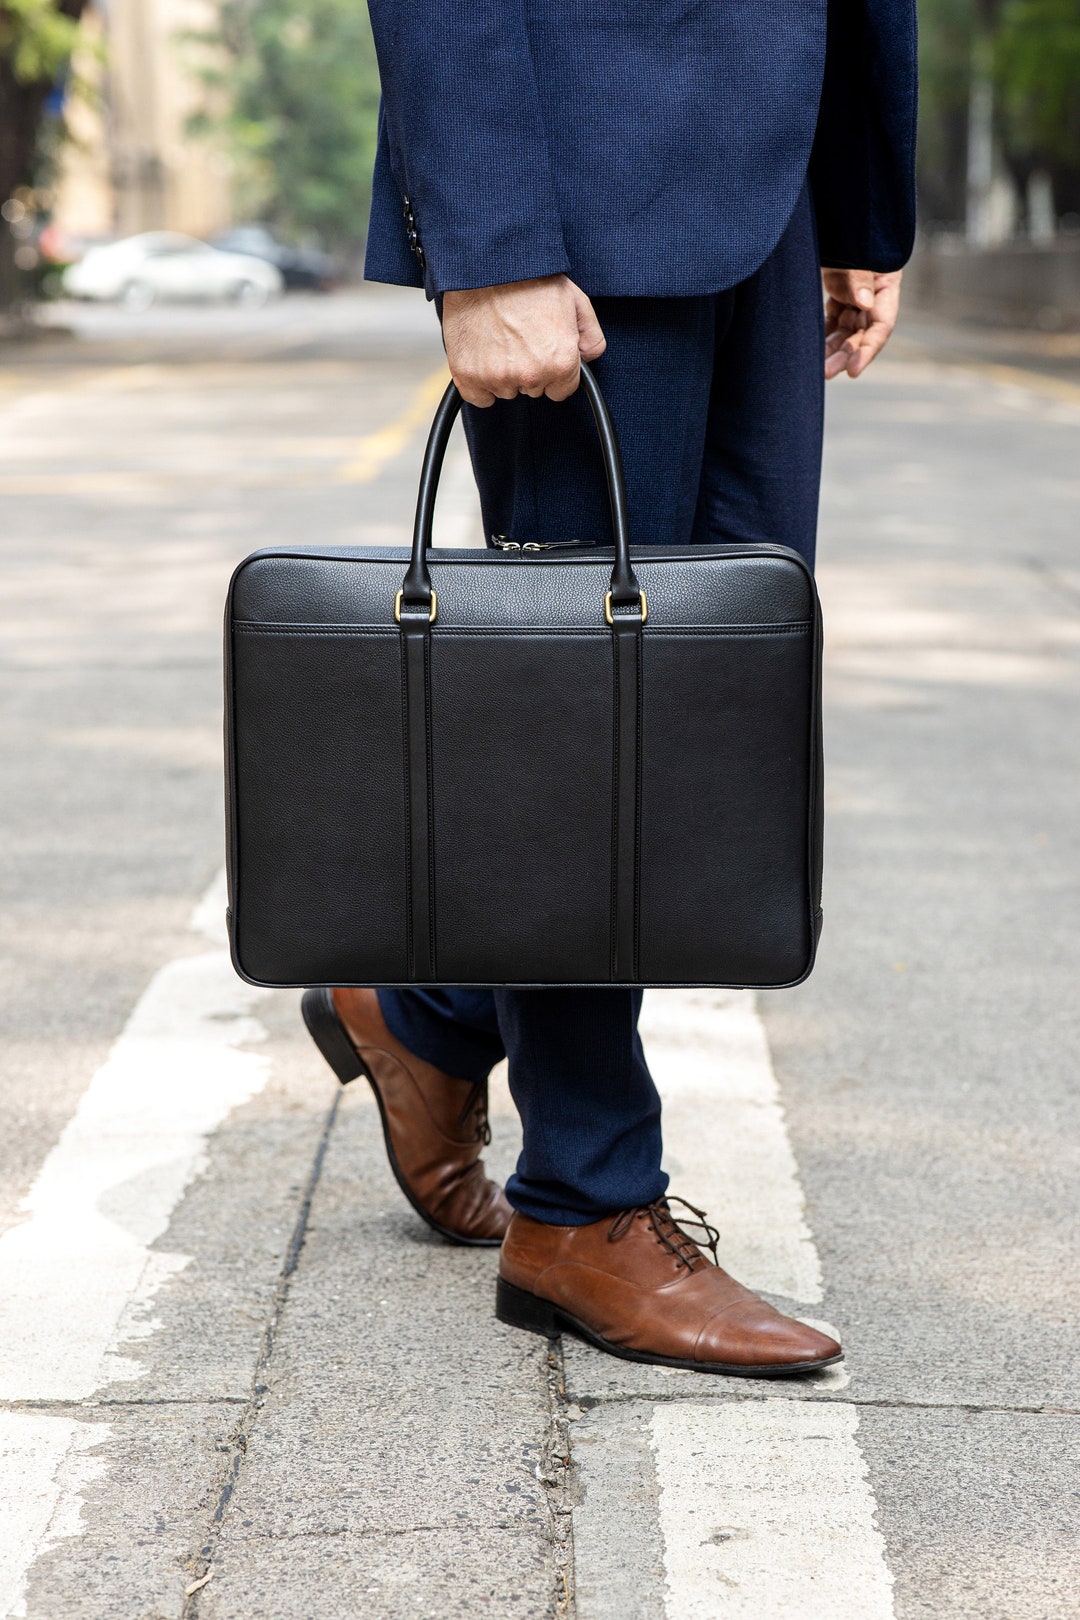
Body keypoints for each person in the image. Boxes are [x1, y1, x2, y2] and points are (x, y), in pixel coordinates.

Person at [303, 0, 916, 1375]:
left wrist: (861, 201)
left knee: (713, 708)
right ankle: (584, 1202)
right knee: (576, 717)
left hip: (773, 187)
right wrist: (491, 244)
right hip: (579, 188)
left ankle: (432, 1009)